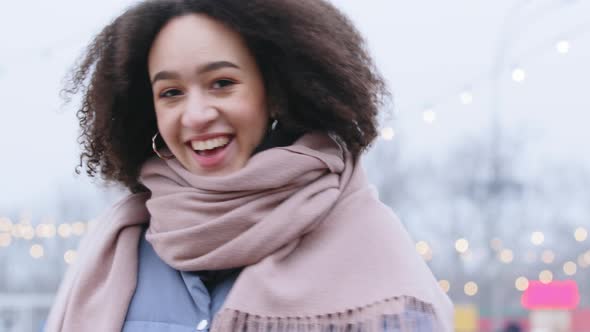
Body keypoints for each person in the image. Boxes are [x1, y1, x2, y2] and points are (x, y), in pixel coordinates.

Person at [46, 0, 453, 331]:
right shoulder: (119, 251)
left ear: (275, 92)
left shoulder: (368, 244)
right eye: (171, 92)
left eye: (222, 83)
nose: (196, 114)